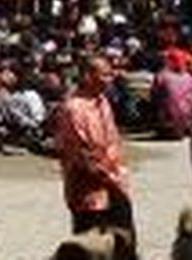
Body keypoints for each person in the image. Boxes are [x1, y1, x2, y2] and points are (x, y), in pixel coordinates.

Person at [55, 56, 136, 258]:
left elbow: (113, 142)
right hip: (89, 192)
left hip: (115, 184)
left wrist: (119, 177)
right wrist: (110, 176)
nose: (110, 78)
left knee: (124, 246)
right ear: (88, 76)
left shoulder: (104, 102)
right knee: (90, 250)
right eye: (104, 74)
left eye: (110, 73)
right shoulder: (73, 109)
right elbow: (82, 154)